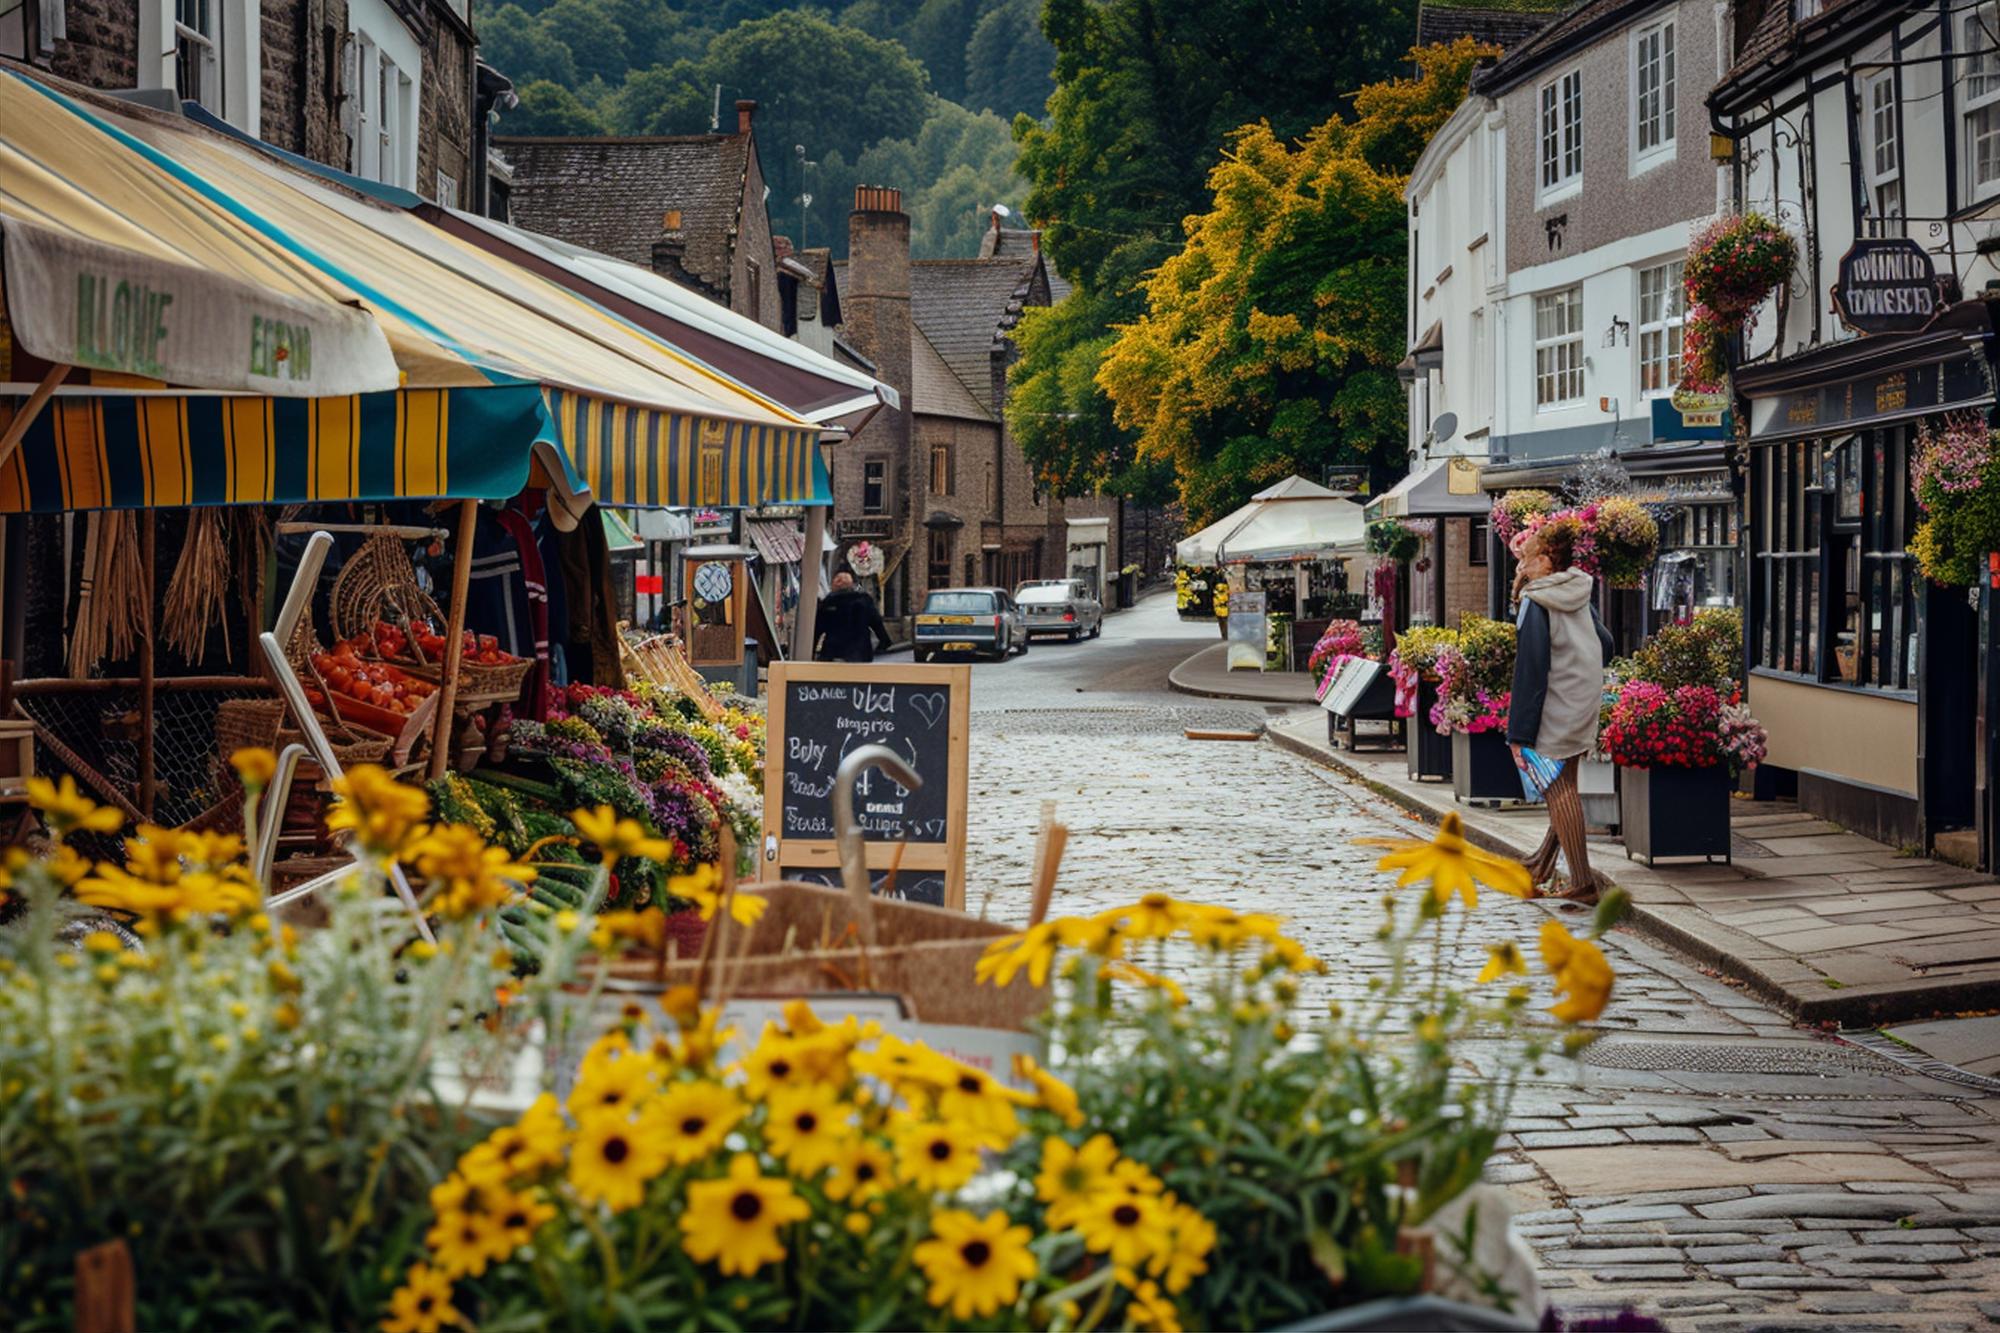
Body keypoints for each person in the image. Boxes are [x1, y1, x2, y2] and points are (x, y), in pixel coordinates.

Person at [1507, 518, 1615, 900]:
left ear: (1548, 560)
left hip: (1555, 703)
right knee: (1565, 784)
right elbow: (1606, 643)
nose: (1521, 564)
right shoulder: (1579, 591)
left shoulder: (1536, 601)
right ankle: (1542, 862)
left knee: (1558, 787)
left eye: (1528, 558)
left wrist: (1518, 733)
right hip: (1583, 700)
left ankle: (1582, 882)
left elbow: (1531, 669)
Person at [814, 570, 892, 662]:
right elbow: (877, 624)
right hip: (860, 653)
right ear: (851, 584)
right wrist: (884, 642)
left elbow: (817, 629)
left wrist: (810, 651)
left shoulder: (828, 603)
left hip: (833, 652)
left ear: (835, 585)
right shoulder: (864, 601)